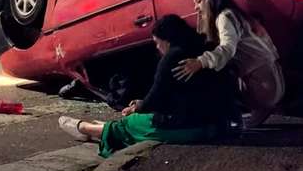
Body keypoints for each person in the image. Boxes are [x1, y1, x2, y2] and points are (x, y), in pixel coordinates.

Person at [58, 14, 232, 158]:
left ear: (167, 40)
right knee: (136, 120)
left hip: (192, 127)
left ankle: (86, 128)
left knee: (130, 123)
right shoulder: (203, 48)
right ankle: (103, 128)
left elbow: (156, 97)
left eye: (157, 42)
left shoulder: (172, 58)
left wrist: (138, 107)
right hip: (217, 122)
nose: (157, 47)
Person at [173, 0, 284, 128]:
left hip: (264, 83)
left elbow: (227, 48)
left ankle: (221, 118)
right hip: (271, 78)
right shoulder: (234, 14)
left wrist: (200, 62)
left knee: (214, 71)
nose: (196, 7)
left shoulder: (224, 17)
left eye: (199, 1)